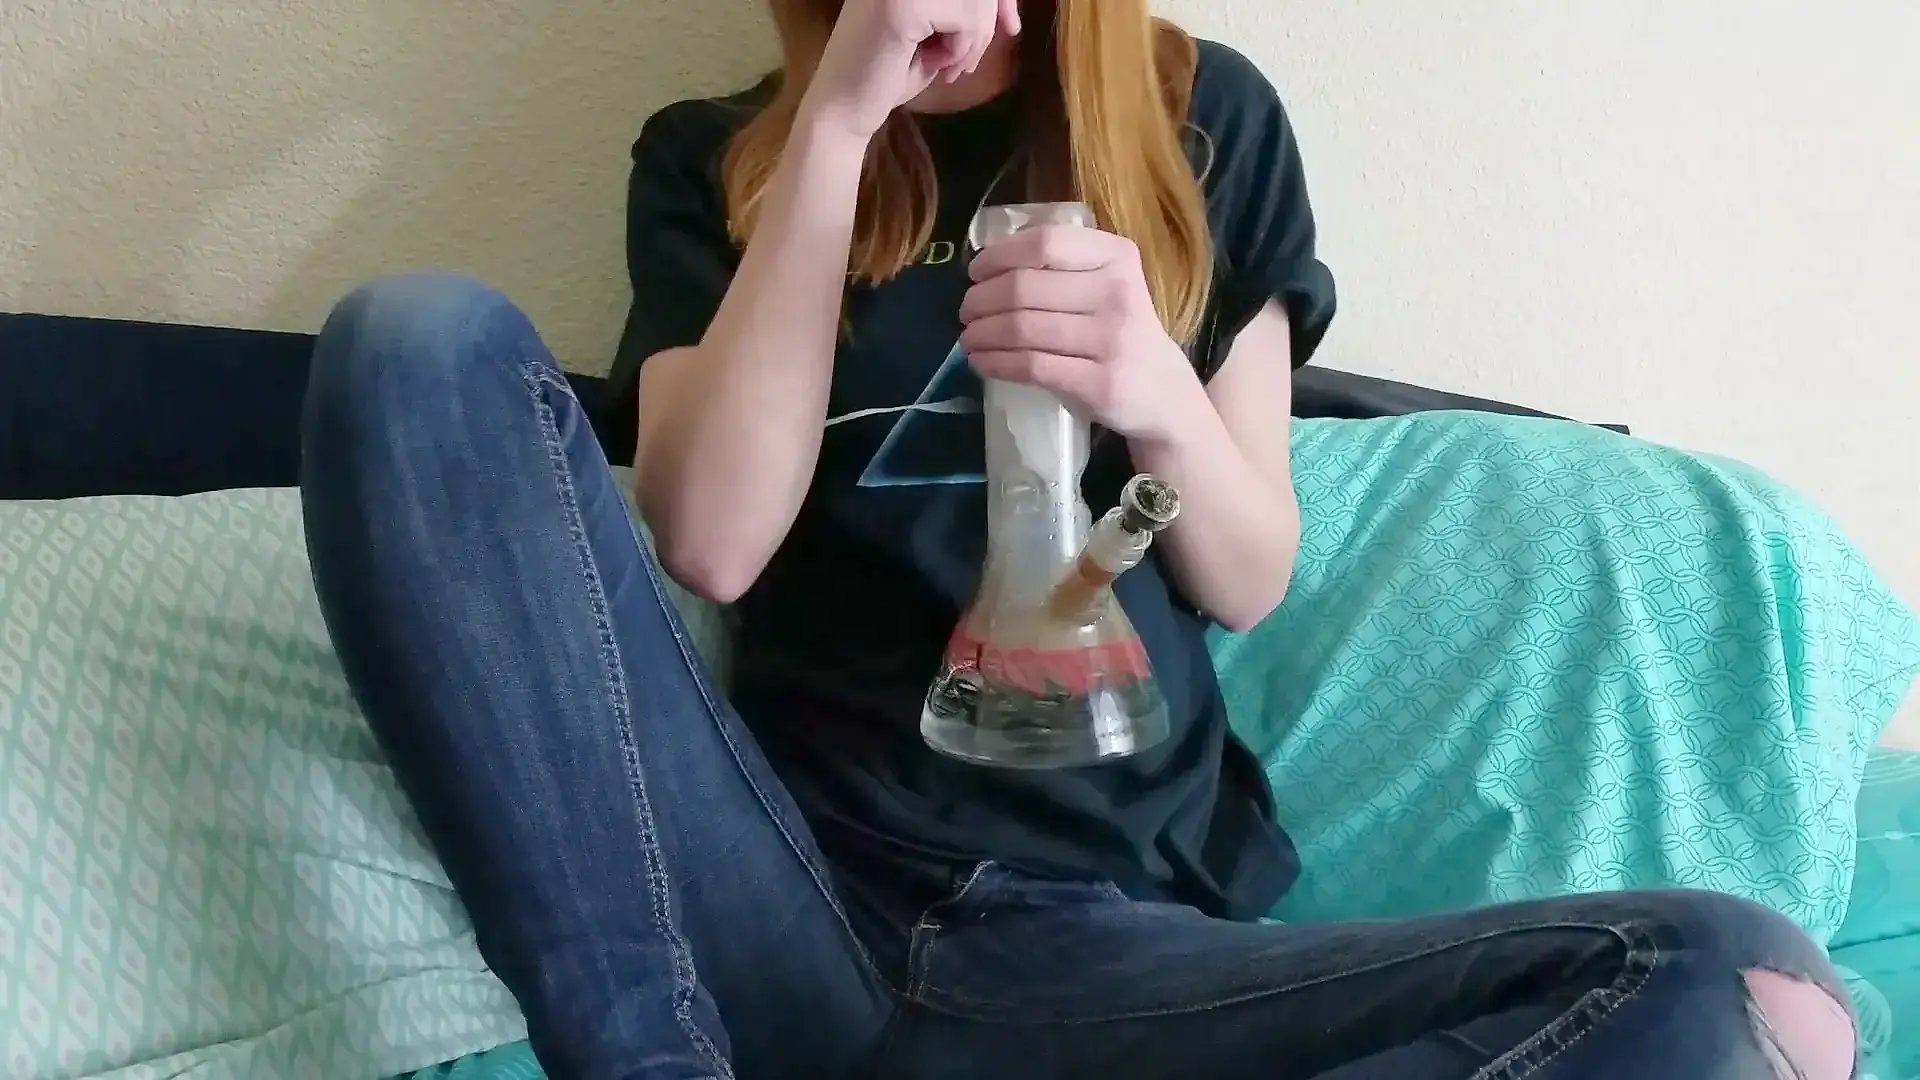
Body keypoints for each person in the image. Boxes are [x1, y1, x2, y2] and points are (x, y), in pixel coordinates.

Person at [298, 0, 1858, 1077]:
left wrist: (1154, 392)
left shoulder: (1206, 123)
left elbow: (1247, 569)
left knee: (1733, 977)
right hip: (780, 897)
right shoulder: (722, 157)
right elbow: (712, 539)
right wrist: (838, 121)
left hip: (1093, 955)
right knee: (412, 341)